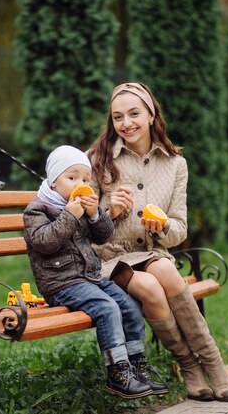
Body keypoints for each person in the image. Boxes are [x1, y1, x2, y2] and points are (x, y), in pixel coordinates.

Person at [87, 82, 228, 402]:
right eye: (117, 117)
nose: (126, 123)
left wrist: (163, 226)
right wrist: (108, 212)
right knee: (154, 287)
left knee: (167, 274)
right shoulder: (97, 160)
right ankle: (190, 366)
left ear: (152, 114)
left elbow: (180, 229)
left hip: (152, 251)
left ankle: (213, 363)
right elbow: (82, 223)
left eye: (134, 114)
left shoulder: (175, 164)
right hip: (107, 256)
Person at [23, 145, 167, 399]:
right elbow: (44, 242)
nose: (81, 184)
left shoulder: (80, 207)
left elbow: (104, 236)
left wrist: (93, 215)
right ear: (54, 182)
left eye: (85, 179)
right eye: (72, 178)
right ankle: (118, 373)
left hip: (90, 277)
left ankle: (137, 366)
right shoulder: (38, 210)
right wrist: (70, 215)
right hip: (61, 285)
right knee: (107, 308)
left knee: (130, 305)